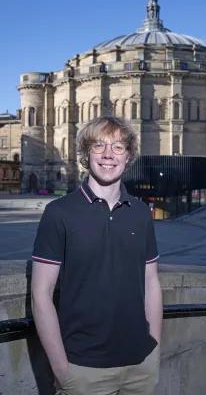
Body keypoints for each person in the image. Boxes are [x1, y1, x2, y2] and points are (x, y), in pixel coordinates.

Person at [31, 116, 163, 395]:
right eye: (98, 146)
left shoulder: (141, 212)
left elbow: (151, 283)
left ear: (128, 156)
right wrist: (62, 370)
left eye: (117, 147)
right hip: (82, 370)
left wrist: (154, 346)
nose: (107, 155)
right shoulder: (59, 213)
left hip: (140, 367)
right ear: (85, 154)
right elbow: (40, 294)